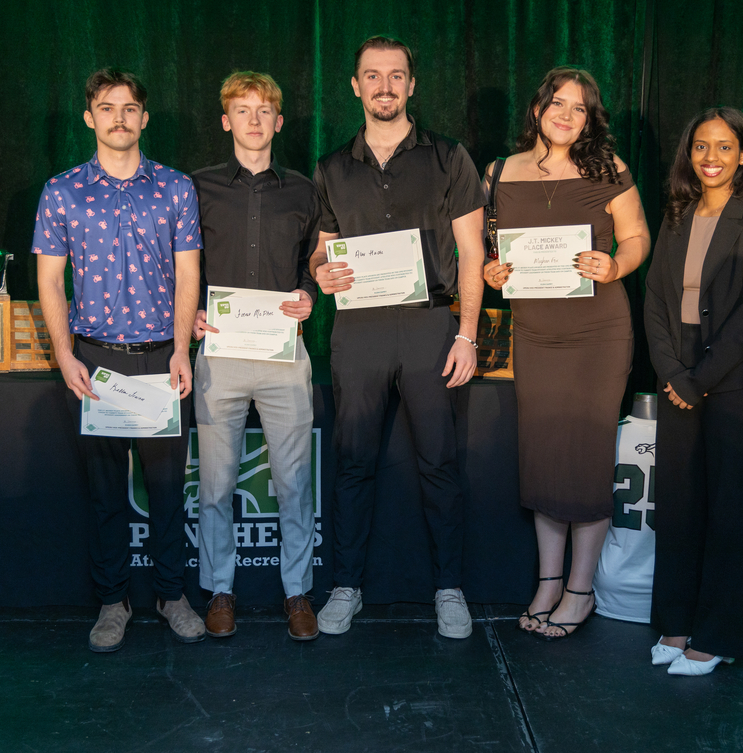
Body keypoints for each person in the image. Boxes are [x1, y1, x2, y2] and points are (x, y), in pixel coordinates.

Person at [308, 36, 486, 638]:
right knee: (353, 461)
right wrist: (319, 270)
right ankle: (346, 586)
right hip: (358, 327)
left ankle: (450, 589)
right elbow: (322, 252)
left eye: (396, 75)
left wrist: (466, 334)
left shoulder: (449, 157)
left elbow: (470, 251)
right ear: (355, 86)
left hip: (431, 324)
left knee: (438, 460)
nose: (385, 86)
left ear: (412, 85)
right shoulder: (331, 168)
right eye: (372, 76)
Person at [33, 68, 206, 652]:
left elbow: (189, 273)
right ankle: (113, 601)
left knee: (165, 487)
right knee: (105, 490)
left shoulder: (176, 188)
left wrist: (183, 349)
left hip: (161, 358)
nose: (119, 118)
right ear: (90, 117)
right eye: (107, 108)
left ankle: (172, 594)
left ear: (145, 118)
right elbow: (50, 282)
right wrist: (64, 354)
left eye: (130, 108)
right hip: (95, 362)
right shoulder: (62, 191)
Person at [484, 67, 650, 639]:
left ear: (589, 119)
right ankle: (548, 581)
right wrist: (492, 270)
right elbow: (488, 252)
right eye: (558, 103)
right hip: (534, 334)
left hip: (597, 333)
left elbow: (637, 238)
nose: (566, 115)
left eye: (579, 108)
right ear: (537, 108)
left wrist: (617, 265)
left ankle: (580, 589)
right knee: (543, 453)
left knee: (585, 453)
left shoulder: (610, 169)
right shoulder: (498, 172)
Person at [643, 106, 743, 675]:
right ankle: (676, 625)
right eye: (701, 147)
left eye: (724, 147)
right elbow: (656, 300)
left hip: (739, 385)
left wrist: (699, 381)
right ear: (689, 155)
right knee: (678, 508)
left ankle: (718, 635)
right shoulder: (677, 215)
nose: (711, 158)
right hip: (679, 376)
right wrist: (674, 375)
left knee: (730, 512)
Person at [191, 72, 321, 642]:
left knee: (293, 482)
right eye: (242, 110)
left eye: (263, 110)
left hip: (283, 352)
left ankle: (297, 592)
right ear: (226, 121)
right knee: (216, 483)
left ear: (278, 122)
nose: (252, 119)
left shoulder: (304, 190)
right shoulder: (194, 187)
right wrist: (190, 312)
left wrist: (311, 294)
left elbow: (315, 261)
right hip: (217, 351)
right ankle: (220, 590)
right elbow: (180, 264)